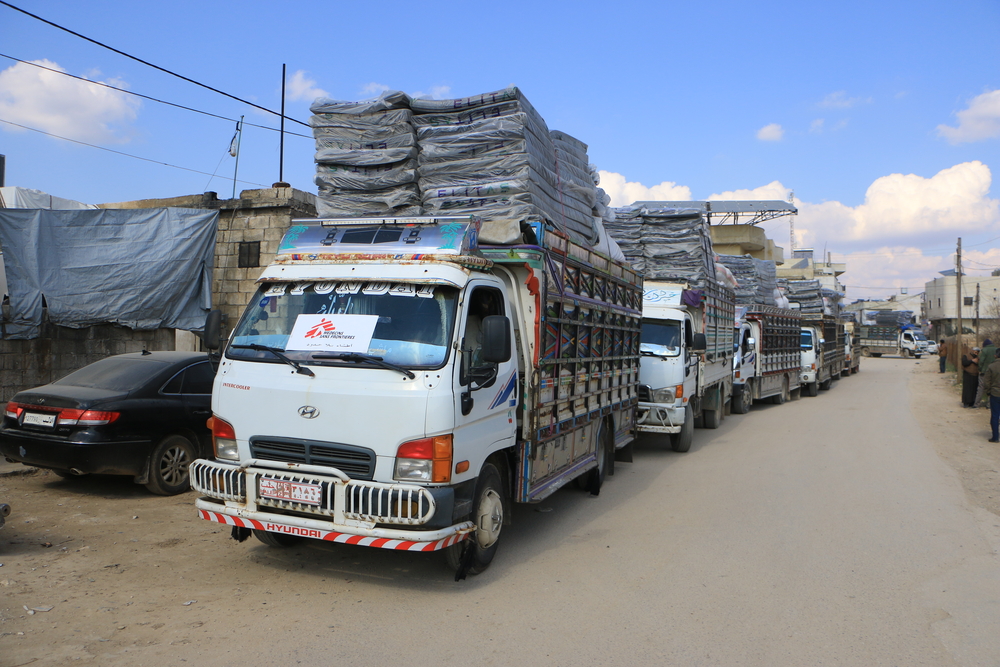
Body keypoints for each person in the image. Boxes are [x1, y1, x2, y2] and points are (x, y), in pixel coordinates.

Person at [981, 353, 1000, 442]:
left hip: (995, 393)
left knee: (995, 416)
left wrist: (988, 392)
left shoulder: (991, 366)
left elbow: (986, 381)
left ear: (996, 355)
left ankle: (995, 437)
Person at [976, 339, 996, 406]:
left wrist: (980, 369)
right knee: (992, 388)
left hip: (984, 372)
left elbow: (981, 361)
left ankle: (977, 403)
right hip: (994, 372)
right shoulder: (996, 349)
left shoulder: (984, 350)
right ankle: (989, 404)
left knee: (981, 387)